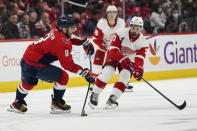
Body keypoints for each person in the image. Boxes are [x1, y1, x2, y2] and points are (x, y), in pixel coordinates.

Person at [7, 17, 95, 114]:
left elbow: (69, 37)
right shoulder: (62, 43)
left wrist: (83, 42)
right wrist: (83, 72)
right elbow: (68, 64)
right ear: (64, 29)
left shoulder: (57, 30)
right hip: (35, 64)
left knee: (28, 84)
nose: (73, 30)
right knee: (63, 77)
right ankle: (57, 103)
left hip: (26, 59)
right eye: (70, 28)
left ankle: (16, 103)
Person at [88, 16, 148, 109]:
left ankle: (113, 98)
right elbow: (112, 49)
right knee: (108, 72)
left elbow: (140, 59)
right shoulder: (121, 33)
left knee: (125, 76)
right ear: (130, 26)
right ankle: (94, 94)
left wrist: (138, 69)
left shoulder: (143, 42)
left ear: (141, 29)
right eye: (133, 27)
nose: (134, 30)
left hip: (128, 60)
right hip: (114, 56)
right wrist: (122, 58)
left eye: (137, 28)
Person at [91, 5, 133, 92]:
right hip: (104, 47)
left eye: (114, 12)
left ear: (117, 14)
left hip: (116, 48)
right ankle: (95, 83)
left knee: (123, 63)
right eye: (110, 12)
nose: (112, 14)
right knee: (97, 64)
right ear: (106, 13)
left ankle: (125, 82)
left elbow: (123, 36)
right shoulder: (101, 22)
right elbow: (95, 38)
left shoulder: (121, 22)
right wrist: (104, 46)